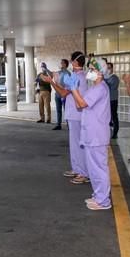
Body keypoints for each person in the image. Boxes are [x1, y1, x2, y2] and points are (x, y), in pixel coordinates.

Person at [64, 58, 112, 210]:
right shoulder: (94, 87)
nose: (89, 71)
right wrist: (74, 90)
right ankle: (99, 196)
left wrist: (73, 89)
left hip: (97, 134)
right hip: (91, 133)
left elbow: (82, 103)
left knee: (99, 168)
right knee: (93, 168)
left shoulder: (100, 88)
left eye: (92, 69)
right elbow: (79, 105)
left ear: (100, 72)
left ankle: (104, 201)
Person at [43, 51, 89, 184]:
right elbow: (66, 91)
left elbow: (63, 93)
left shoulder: (78, 77)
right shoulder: (78, 75)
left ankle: (83, 172)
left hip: (77, 114)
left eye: (71, 60)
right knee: (74, 144)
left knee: (79, 144)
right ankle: (77, 168)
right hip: (74, 114)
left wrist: (51, 81)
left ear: (75, 62)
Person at [104, 62, 120, 139]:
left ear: (112, 68)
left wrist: (103, 80)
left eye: (109, 68)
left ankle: (115, 133)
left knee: (114, 116)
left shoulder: (114, 78)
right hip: (105, 100)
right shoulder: (105, 77)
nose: (108, 69)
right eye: (107, 68)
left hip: (112, 100)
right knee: (107, 116)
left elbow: (110, 87)